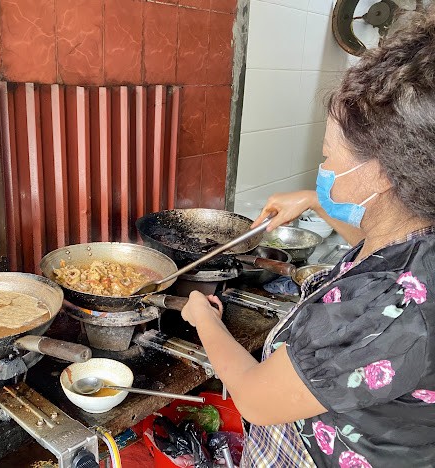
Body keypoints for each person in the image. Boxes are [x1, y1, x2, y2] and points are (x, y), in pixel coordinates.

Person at [181, 8, 435, 468]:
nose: (323, 168)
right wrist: (320, 201)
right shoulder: (419, 231)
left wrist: (204, 320)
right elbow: (380, 244)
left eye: (327, 156)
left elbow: (256, 400)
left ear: (381, 174)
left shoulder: (386, 314)